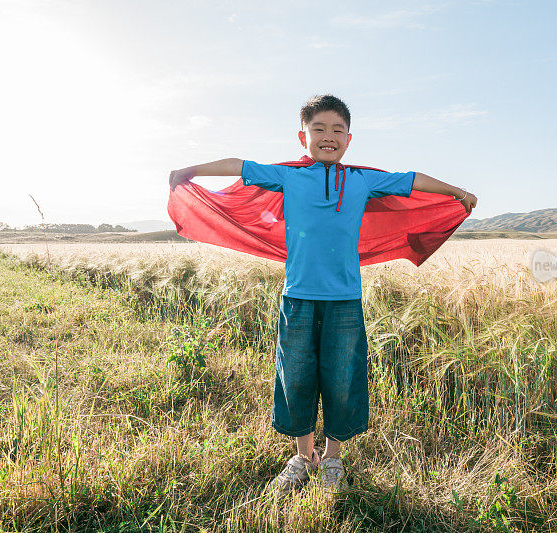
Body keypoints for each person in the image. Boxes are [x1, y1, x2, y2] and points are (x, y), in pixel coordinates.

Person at [168, 94, 477, 496]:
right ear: (303, 136)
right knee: (295, 377)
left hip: (345, 301)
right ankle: (303, 456)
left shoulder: (364, 180)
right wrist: (190, 170)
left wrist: (456, 191)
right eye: (319, 129)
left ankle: (332, 458)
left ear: (349, 139)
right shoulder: (289, 177)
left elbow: (412, 179)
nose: (328, 137)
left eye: (337, 130)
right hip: (297, 298)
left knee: (342, 380)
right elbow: (238, 165)